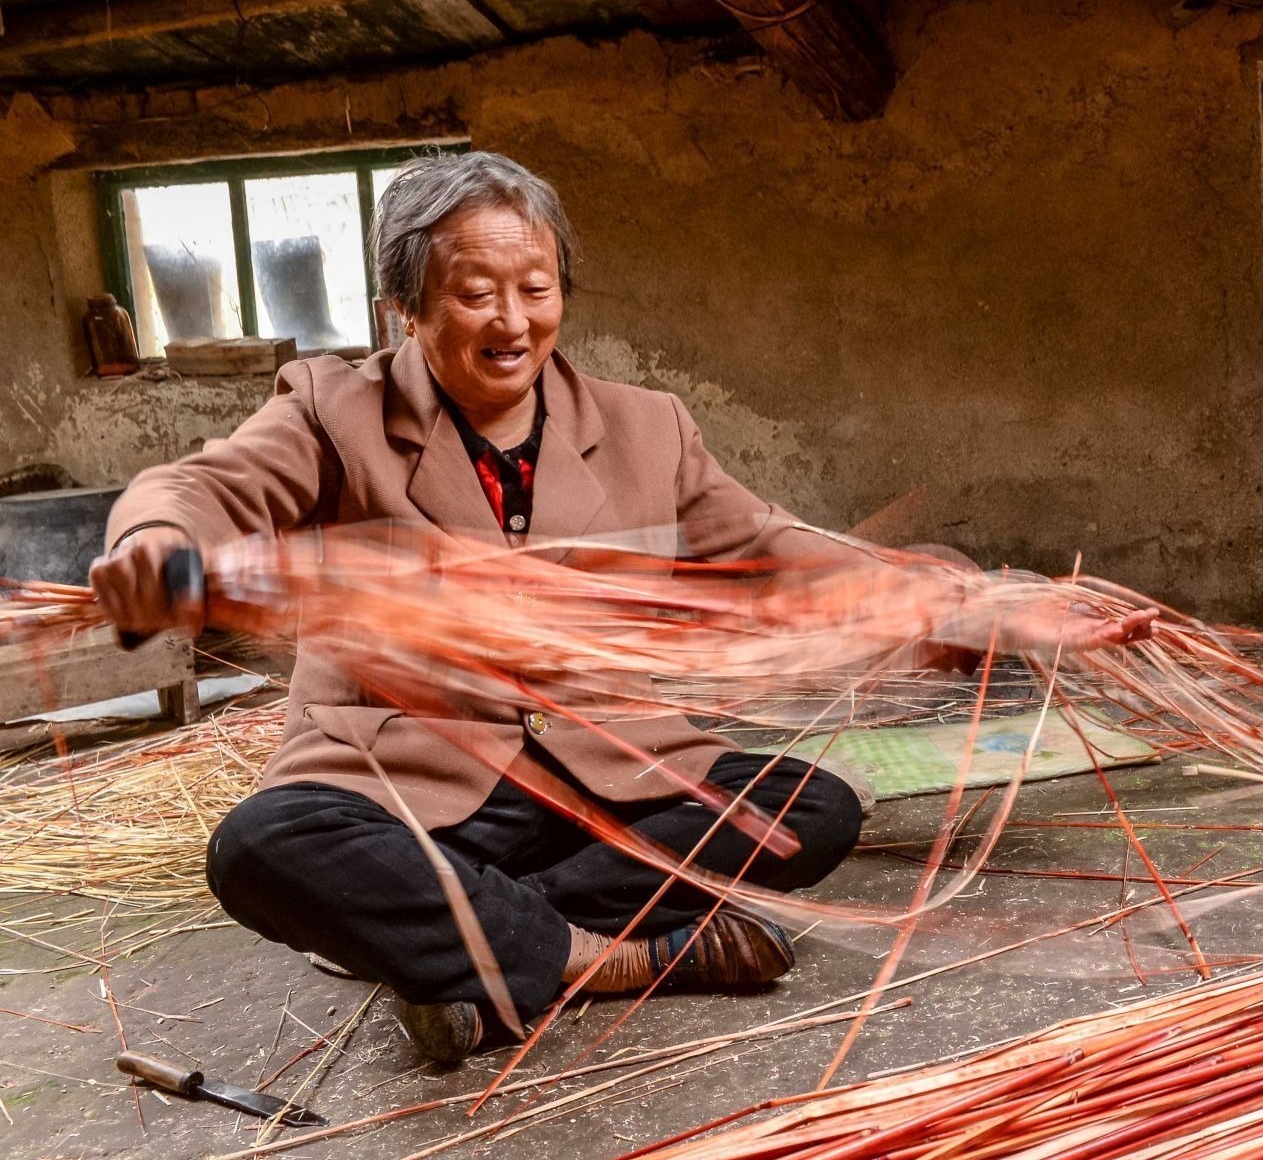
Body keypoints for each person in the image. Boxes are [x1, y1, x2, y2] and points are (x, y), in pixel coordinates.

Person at [90, 151, 1153, 1065]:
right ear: (403, 308)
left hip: (603, 769)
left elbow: (777, 548)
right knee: (262, 845)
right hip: (408, 776)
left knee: (811, 805)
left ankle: (460, 941)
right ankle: (607, 957)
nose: (513, 322)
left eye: (537, 287)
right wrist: (155, 544)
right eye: (473, 293)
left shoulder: (649, 427)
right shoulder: (331, 408)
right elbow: (203, 487)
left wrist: (972, 604)